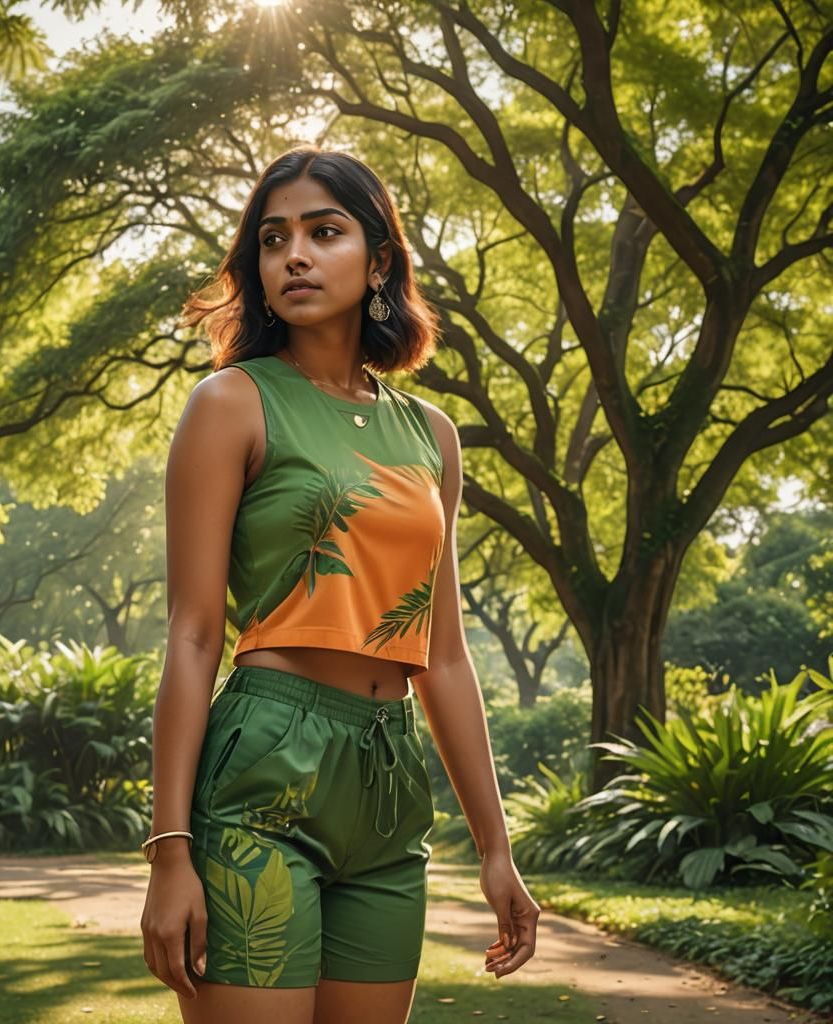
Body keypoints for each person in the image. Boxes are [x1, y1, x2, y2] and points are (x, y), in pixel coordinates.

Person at [140, 145, 540, 1024]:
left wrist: (495, 848)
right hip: (264, 769)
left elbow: (444, 656)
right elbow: (194, 635)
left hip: (389, 782)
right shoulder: (231, 403)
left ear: (379, 259)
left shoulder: (432, 435)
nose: (295, 256)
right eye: (273, 239)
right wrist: (170, 851)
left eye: (324, 233)